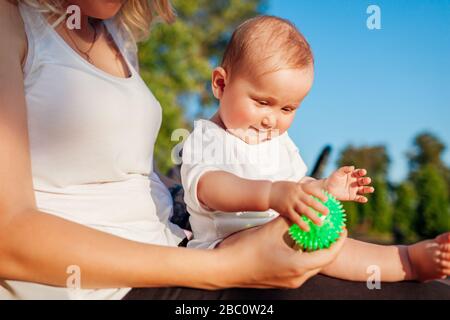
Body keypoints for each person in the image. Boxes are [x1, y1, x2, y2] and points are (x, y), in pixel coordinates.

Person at [0, 0, 350, 300]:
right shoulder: (10, 21)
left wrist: (231, 199)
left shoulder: (116, 36)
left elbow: (129, 174)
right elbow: (8, 236)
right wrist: (229, 266)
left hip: (176, 243)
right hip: (112, 286)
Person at [180, 16, 450, 283]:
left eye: (287, 109)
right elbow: (211, 188)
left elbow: (297, 186)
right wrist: (272, 194)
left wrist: (323, 188)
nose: (271, 119)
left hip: (284, 233)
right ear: (221, 84)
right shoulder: (209, 137)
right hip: (228, 247)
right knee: (298, 239)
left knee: (335, 243)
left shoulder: (277, 140)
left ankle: (408, 262)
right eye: (262, 102)